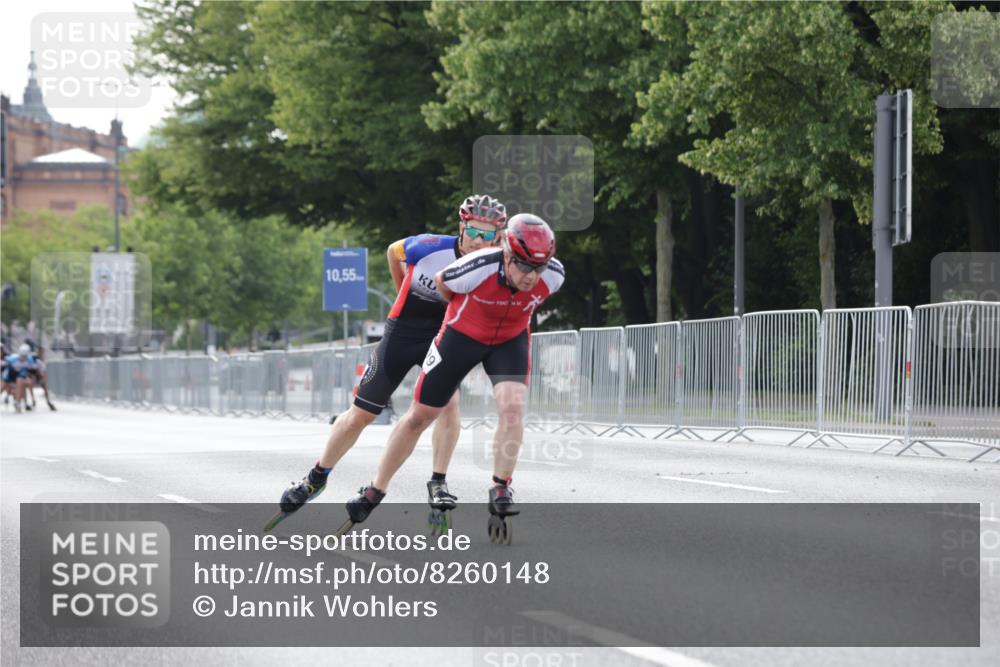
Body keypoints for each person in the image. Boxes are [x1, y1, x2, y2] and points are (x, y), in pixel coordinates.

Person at [266, 195, 508, 529]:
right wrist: (401, 290)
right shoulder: (429, 247)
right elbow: (394, 252)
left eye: (487, 234)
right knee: (361, 414)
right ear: (461, 227)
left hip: (443, 336)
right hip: (402, 332)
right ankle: (316, 477)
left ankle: (438, 481)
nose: (478, 241)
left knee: (449, 404)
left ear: (497, 237)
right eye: (474, 231)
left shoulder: (495, 267)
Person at [339, 213, 564, 543]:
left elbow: (535, 288)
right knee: (420, 416)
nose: (531, 276)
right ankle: (376, 488)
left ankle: (501, 487)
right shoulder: (477, 266)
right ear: (506, 254)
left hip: (508, 340)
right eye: (523, 265)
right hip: (461, 336)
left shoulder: (555, 275)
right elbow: (443, 285)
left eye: (538, 268)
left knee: (512, 407)